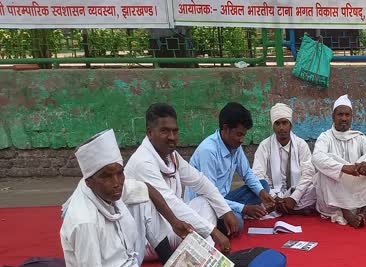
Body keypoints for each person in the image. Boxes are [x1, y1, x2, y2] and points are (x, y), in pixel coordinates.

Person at [61, 129, 195, 267]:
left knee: (142, 199)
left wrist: (174, 222)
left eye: (120, 173)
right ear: (89, 182)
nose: (117, 183)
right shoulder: (84, 221)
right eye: (107, 176)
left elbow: (147, 189)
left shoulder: (111, 189)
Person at [124, 103, 238, 257]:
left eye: (175, 131)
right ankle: (208, 256)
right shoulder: (143, 162)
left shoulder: (172, 155)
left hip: (173, 227)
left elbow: (201, 182)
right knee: (207, 228)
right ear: (150, 133)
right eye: (165, 131)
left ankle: (206, 255)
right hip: (149, 240)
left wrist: (226, 211)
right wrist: (213, 230)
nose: (172, 137)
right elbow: (170, 203)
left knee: (206, 202)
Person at [187, 102, 275, 231]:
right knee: (238, 223)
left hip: (224, 198)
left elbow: (246, 173)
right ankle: (234, 215)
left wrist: (262, 194)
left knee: (263, 186)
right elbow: (209, 195)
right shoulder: (208, 151)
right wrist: (244, 208)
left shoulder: (235, 146)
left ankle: (236, 212)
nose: (241, 140)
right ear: (225, 129)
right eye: (239, 134)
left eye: (244, 135)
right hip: (205, 205)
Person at [312, 94, 366, 228]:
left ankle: (363, 211)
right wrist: (343, 168)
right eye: (340, 114)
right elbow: (316, 157)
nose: (344, 118)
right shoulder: (325, 137)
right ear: (333, 116)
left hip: (355, 185)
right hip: (336, 187)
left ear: (352, 117)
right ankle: (346, 213)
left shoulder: (358, 137)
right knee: (326, 168)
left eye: (347, 115)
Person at [252, 103, 317, 215]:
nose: (281, 127)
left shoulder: (301, 144)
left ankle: (288, 207)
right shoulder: (265, 146)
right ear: (273, 126)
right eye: (277, 123)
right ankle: (295, 210)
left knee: (318, 185)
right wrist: (274, 197)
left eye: (284, 123)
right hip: (271, 195)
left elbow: (308, 173)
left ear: (290, 125)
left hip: (296, 193)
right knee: (253, 189)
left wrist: (294, 198)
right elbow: (257, 174)